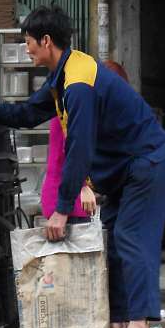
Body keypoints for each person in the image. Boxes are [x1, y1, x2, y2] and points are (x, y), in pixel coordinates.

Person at [0, 6, 165, 328]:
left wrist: (61, 209)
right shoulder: (63, 75)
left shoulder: (78, 83)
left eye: (29, 41)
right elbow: (29, 112)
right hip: (125, 166)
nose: (27, 49)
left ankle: (140, 325)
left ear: (46, 40)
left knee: (132, 237)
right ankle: (119, 321)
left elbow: (79, 149)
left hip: (147, 160)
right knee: (113, 240)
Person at [39, 61, 127, 222]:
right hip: (69, 198)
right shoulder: (77, 103)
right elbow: (72, 149)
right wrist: (83, 187)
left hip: (64, 195)